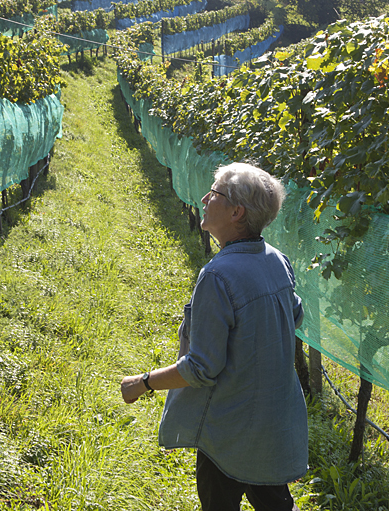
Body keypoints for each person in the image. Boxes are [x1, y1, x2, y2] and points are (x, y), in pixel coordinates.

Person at [120, 162, 307, 511]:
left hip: (229, 429)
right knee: (275, 501)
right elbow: (294, 314)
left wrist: (143, 382)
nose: (205, 198)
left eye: (216, 193)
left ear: (236, 212)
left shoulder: (218, 275)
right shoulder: (277, 261)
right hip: (270, 423)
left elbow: (202, 368)